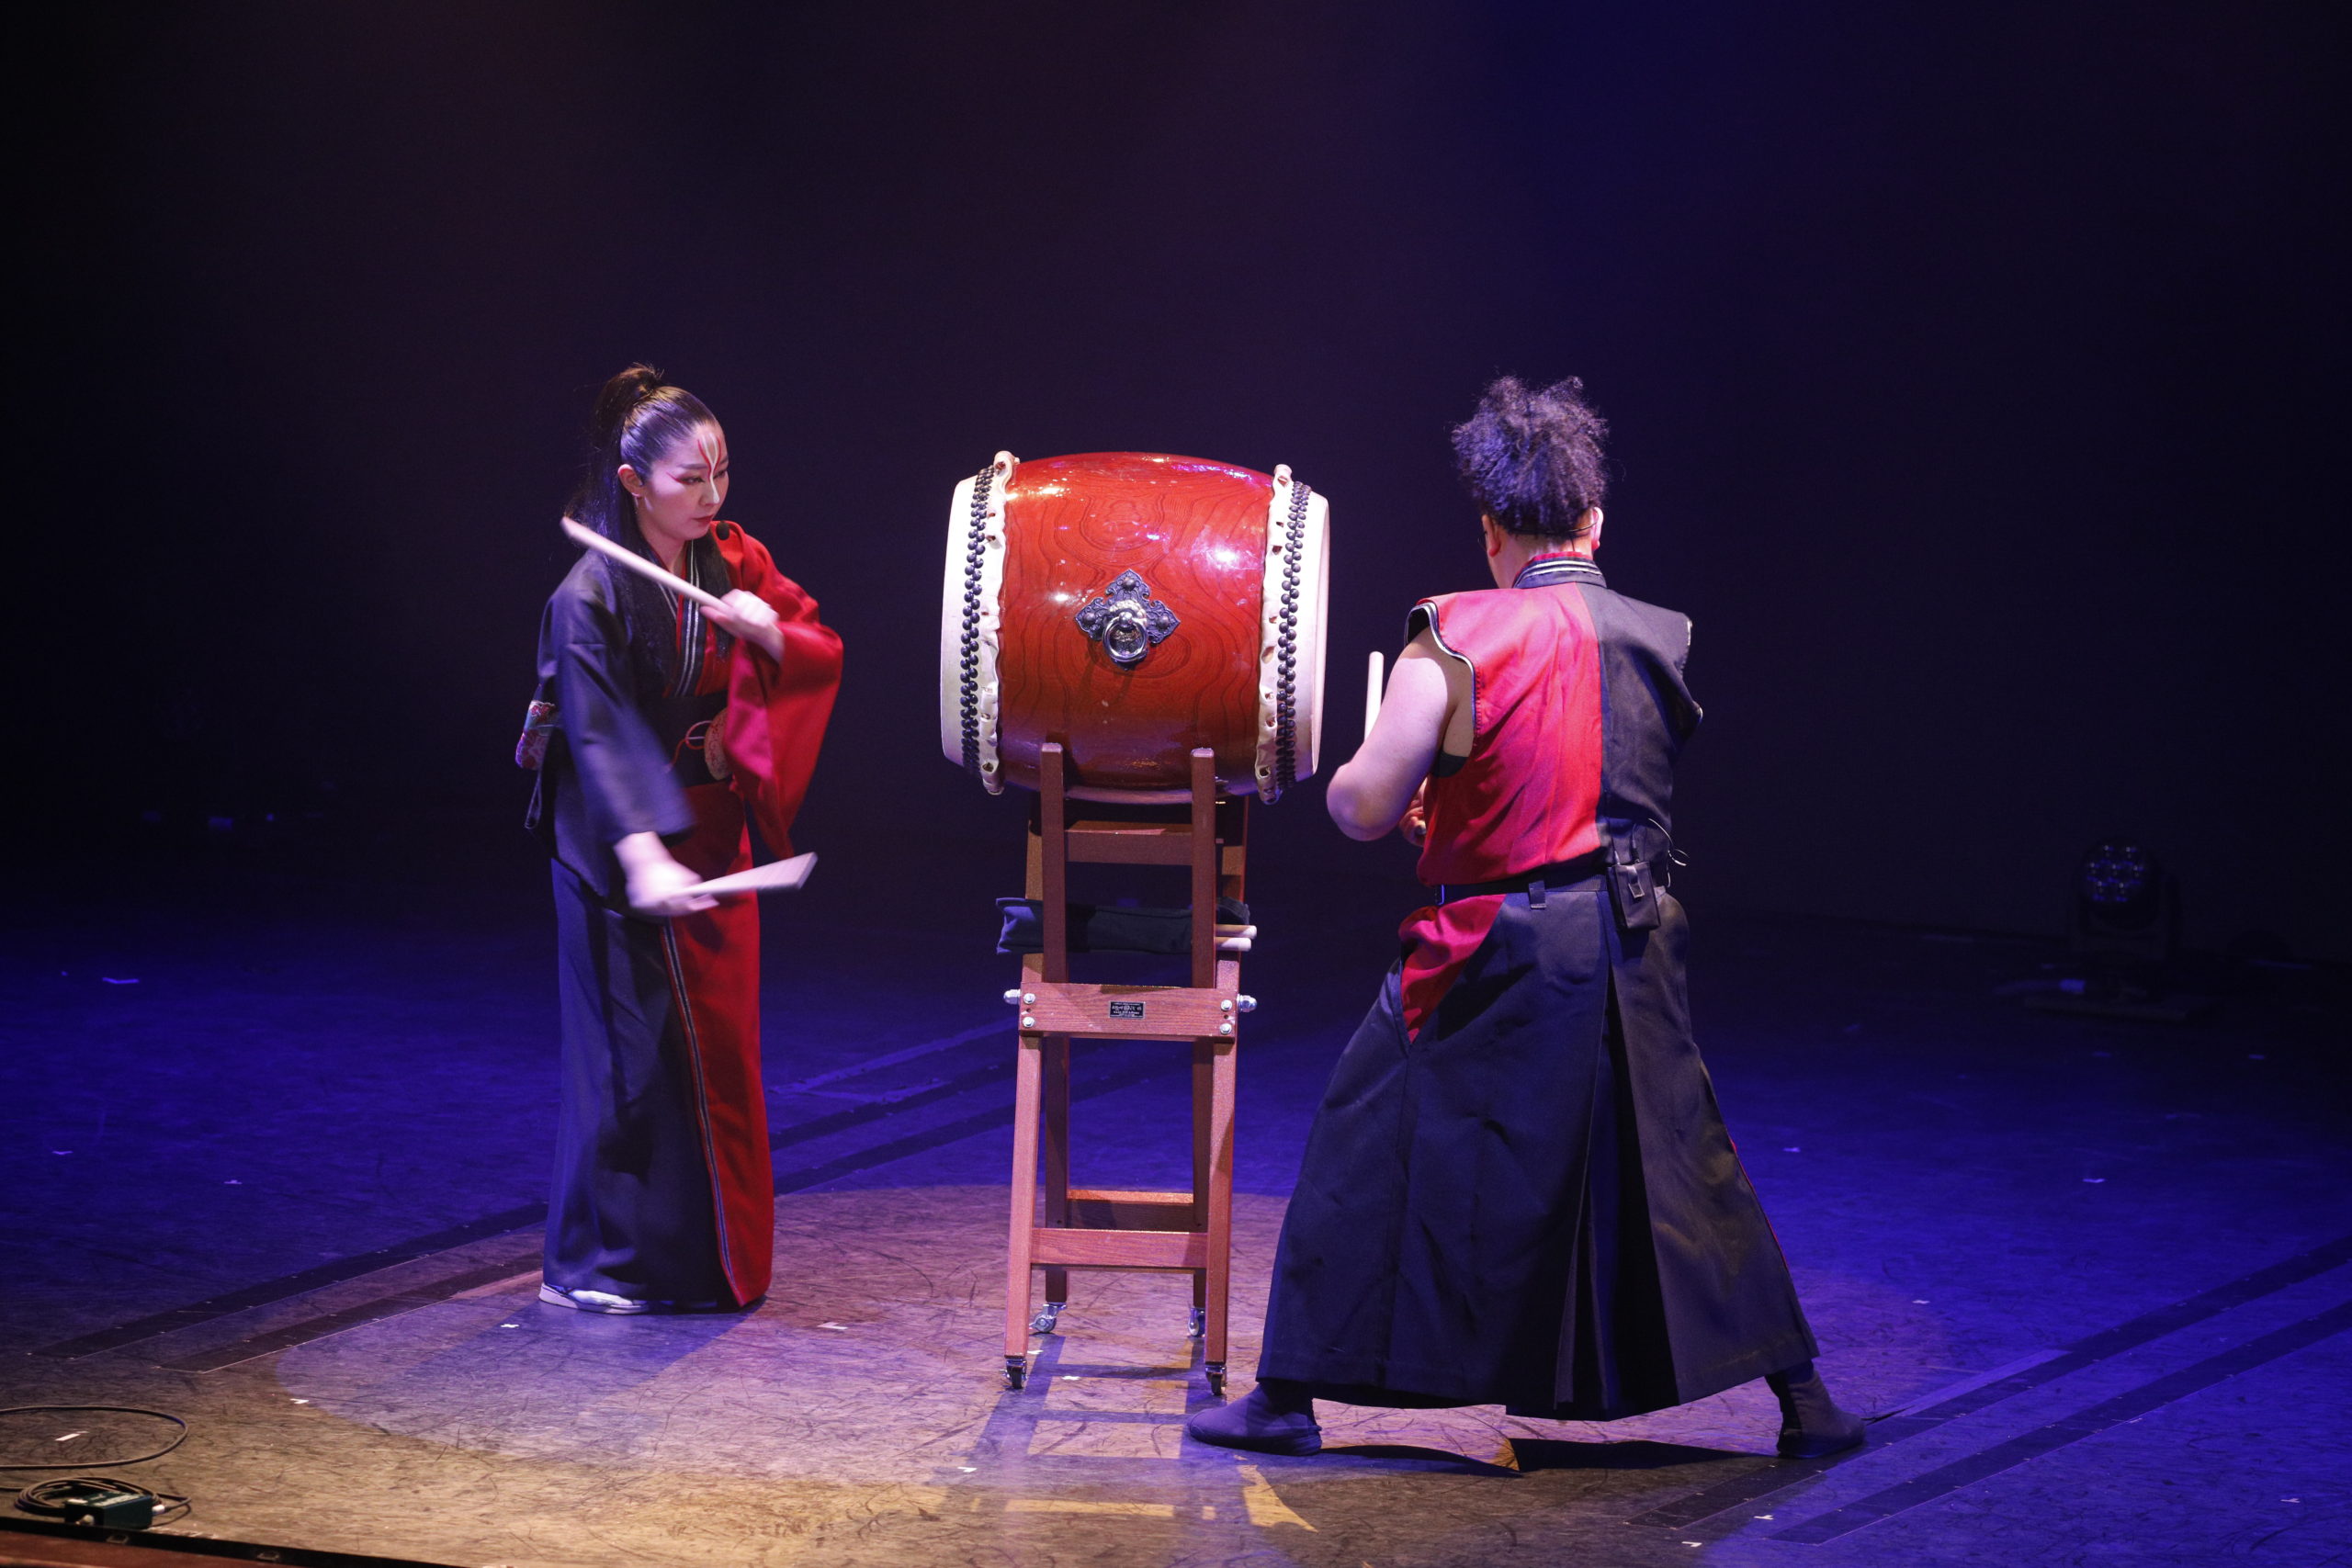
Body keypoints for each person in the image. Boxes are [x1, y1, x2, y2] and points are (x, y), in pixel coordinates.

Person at [1186, 376, 1865, 1458]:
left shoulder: (1456, 633)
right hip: (1631, 936)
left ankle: (1285, 1400)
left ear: (1490, 529)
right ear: (1594, 523)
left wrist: (1383, 779)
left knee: (1367, 1144)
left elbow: (1363, 808)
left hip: (1497, 946)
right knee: (1682, 1160)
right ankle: (1807, 1405)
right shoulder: (1660, 634)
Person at [520, 365, 842, 1314]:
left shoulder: (732, 559)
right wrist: (643, 854)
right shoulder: (588, 596)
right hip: (611, 840)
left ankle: (705, 1266)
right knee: (633, 1059)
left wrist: (767, 634)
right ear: (634, 482)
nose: (711, 496)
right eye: (689, 479)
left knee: (719, 1052)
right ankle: (601, 1264)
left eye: (721, 475)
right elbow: (598, 735)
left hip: (711, 831)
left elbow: (817, 643)